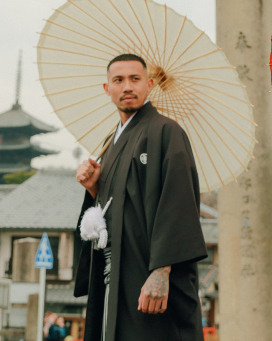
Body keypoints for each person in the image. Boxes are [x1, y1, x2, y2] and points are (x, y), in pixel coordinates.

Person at [74, 53, 208, 341]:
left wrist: (162, 271)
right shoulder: (112, 142)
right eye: (118, 80)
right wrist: (94, 187)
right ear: (106, 88)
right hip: (114, 269)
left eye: (135, 79)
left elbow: (179, 203)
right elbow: (116, 207)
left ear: (149, 85)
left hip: (148, 270)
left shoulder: (166, 132)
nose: (127, 87)